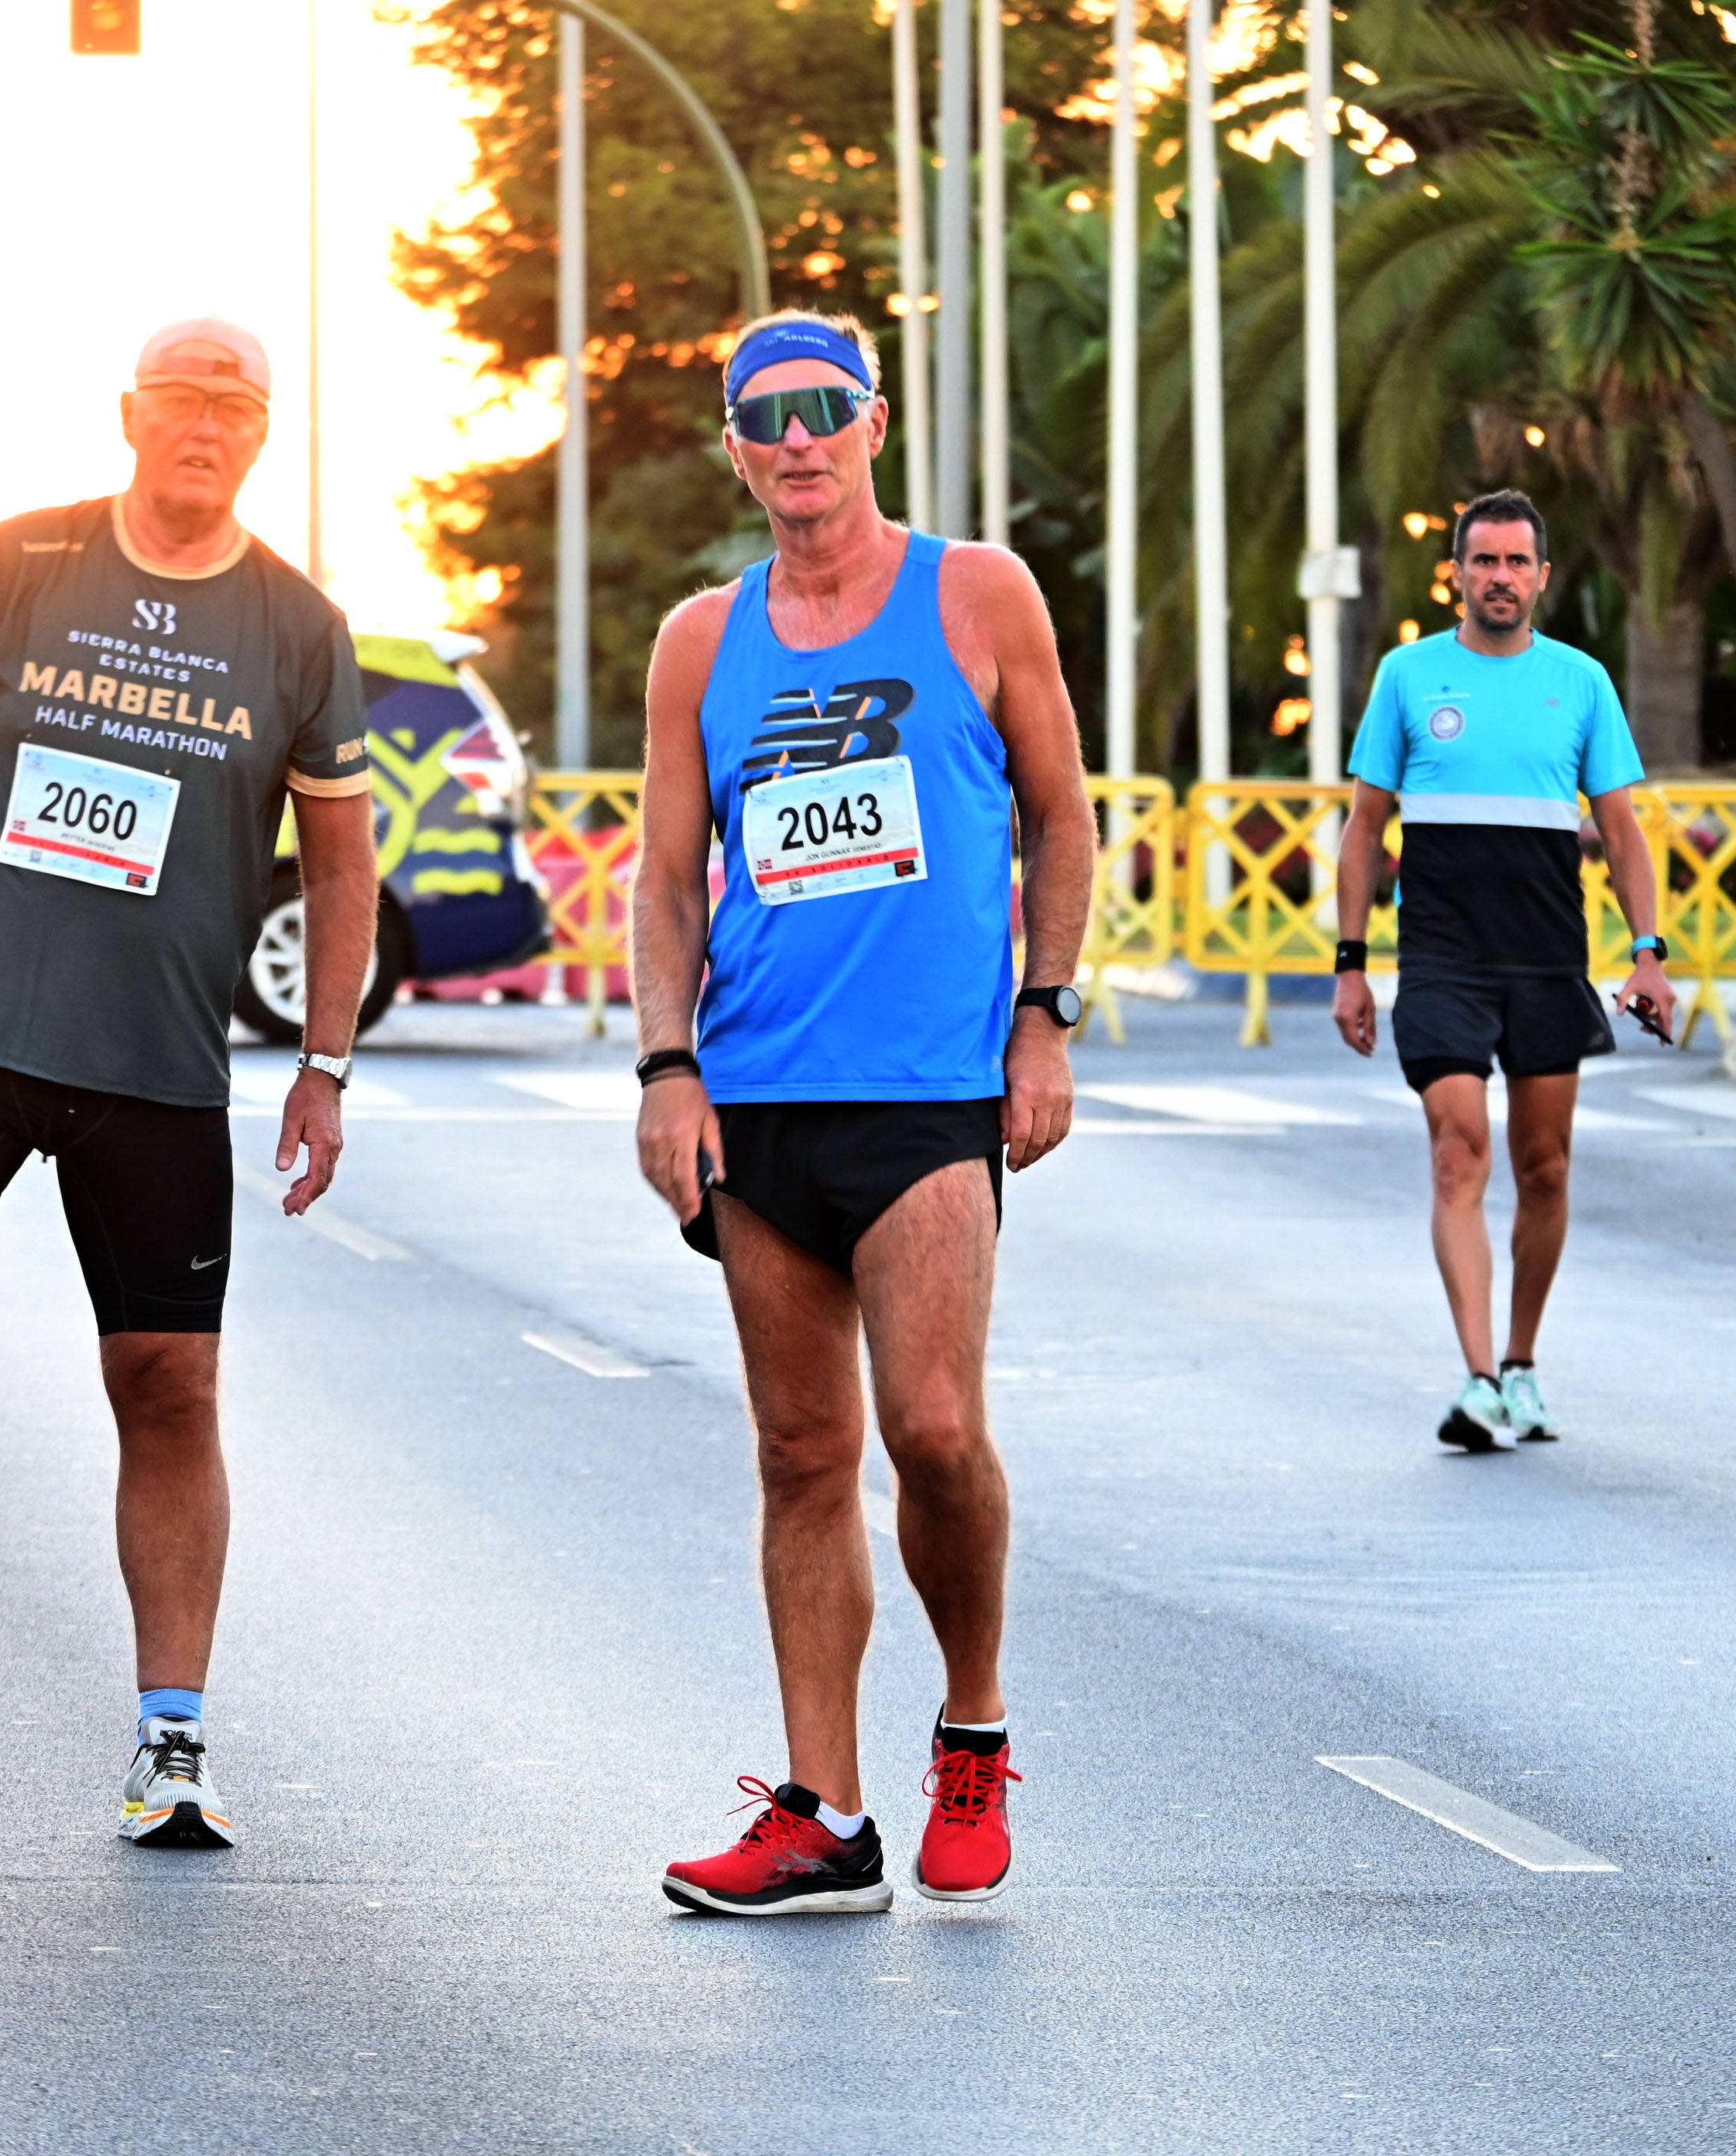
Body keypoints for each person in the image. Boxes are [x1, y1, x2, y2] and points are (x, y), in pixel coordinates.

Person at [0, 319, 381, 1849]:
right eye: (181, 402)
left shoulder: (301, 633)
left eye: (233, 410)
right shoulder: (24, 564)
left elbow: (340, 864)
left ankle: (170, 1742)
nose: (205, 427)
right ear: (131, 415)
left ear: (260, 437)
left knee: (168, 1389)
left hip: (158, 1071)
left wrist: (324, 1064)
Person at [631, 308, 1092, 1914]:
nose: (798, 438)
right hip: (759, 1099)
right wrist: (662, 1066)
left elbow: (1059, 810)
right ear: (740, 450)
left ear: (873, 423)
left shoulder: (976, 596)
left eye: (825, 407)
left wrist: (1046, 1016)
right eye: (768, 417)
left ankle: (971, 1723)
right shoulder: (703, 638)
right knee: (803, 1452)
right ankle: (821, 1816)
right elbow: (664, 872)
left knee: (935, 1431)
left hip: (931, 1097)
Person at [1329, 489, 1676, 1452]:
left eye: (1518, 563)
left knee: (1546, 1168)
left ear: (1542, 577)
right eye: (1483, 561)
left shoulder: (1581, 683)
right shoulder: (1409, 677)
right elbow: (1364, 831)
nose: (1500, 578)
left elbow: (1621, 830)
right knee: (1457, 1152)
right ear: (1457, 573)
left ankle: (1521, 1365)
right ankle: (1477, 1377)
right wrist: (1350, 965)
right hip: (1441, 960)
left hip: (1546, 957)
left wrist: (1649, 955)